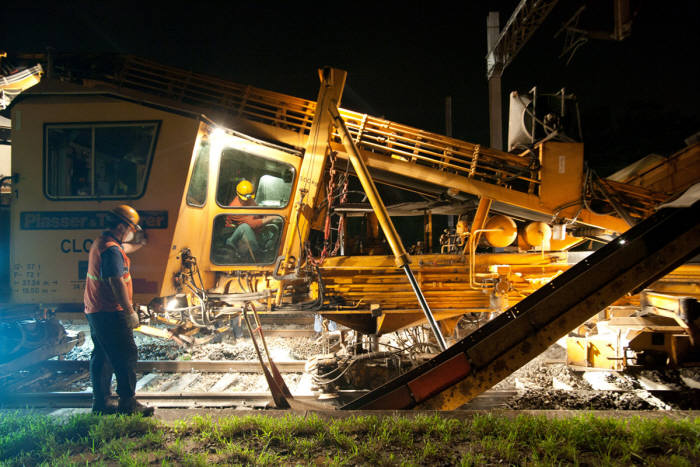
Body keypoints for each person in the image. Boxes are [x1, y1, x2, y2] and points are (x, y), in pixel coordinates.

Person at [83, 204, 153, 416]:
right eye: (132, 227)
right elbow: (116, 282)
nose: (133, 231)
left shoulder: (103, 243)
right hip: (110, 311)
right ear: (122, 226)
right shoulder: (112, 250)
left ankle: (101, 402)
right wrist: (129, 311)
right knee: (126, 354)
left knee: (103, 354)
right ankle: (127, 402)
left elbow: (121, 252)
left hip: (96, 309)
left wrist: (138, 245)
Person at [224, 180, 277, 261]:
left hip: (252, 227)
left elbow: (256, 209)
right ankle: (256, 253)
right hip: (236, 232)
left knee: (274, 229)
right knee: (245, 227)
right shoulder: (235, 208)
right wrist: (271, 217)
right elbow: (252, 224)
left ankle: (266, 248)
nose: (247, 200)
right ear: (238, 195)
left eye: (249, 197)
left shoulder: (248, 198)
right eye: (245, 198)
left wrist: (265, 215)